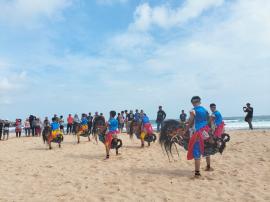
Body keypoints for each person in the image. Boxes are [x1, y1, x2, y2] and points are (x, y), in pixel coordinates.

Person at [185, 96, 211, 178]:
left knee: (196, 152)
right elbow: (208, 119)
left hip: (198, 132)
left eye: (194, 102)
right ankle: (208, 166)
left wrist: (186, 129)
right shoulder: (204, 110)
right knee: (205, 148)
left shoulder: (193, 110)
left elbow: (191, 121)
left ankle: (197, 173)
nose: (194, 103)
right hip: (205, 131)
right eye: (194, 102)